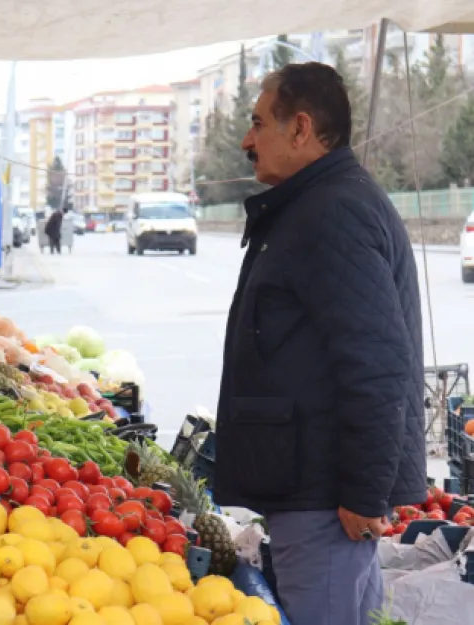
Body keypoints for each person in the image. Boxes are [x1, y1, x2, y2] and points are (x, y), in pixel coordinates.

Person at [214, 62, 424, 625]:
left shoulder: (334, 212)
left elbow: (378, 361)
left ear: (301, 128)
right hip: (310, 490)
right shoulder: (317, 203)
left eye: (258, 123)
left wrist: (362, 493)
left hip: (324, 499)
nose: (246, 140)